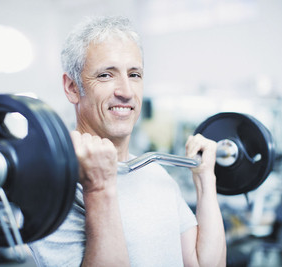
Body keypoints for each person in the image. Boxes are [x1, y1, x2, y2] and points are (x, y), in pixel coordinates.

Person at [29, 16, 226, 267]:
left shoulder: (154, 173)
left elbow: (204, 264)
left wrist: (205, 179)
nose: (126, 91)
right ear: (72, 87)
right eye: (105, 75)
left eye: (134, 74)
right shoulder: (53, 193)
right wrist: (98, 189)